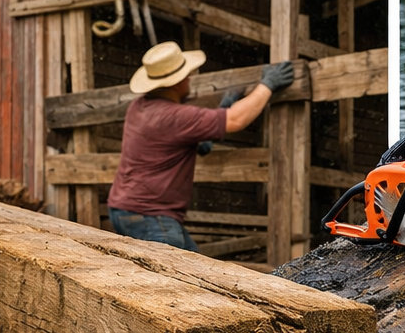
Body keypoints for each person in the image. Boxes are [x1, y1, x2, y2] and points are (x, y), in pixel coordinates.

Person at [107, 41, 297, 251]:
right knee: (175, 280)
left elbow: (172, 140)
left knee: (193, 265)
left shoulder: (139, 107)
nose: (189, 79)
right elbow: (235, 120)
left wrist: (217, 117)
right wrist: (267, 84)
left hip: (124, 209)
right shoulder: (175, 116)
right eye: (187, 75)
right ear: (178, 82)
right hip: (151, 215)